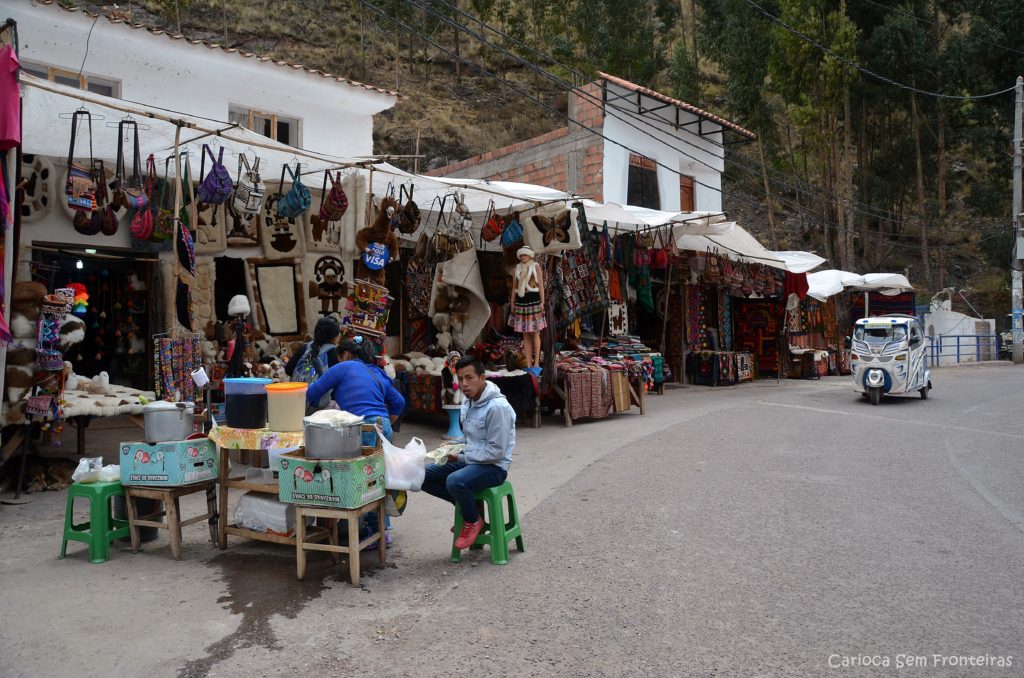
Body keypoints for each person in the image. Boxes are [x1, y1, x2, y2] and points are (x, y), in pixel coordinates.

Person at [305, 335, 406, 544]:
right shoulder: (376, 372)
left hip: (362, 428)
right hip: (382, 427)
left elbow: (312, 392)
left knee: (364, 480)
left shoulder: (344, 367)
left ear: (346, 354)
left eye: (339, 356)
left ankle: (372, 532)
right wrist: (385, 422)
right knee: (376, 478)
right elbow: (399, 403)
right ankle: (382, 530)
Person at [422, 355, 516, 550]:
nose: (464, 384)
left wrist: (459, 457)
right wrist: (451, 446)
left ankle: (472, 520)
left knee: (455, 481)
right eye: (460, 379)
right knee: (421, 476)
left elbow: (496, 453)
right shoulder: (468, 402)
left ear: (483, 378)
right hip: (472, 461)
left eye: (469, 378)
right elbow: (468, 438)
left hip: (494, 467)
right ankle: (469, 509)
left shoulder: (498, 408)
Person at [510, 246, 545, 375]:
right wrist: (512, 302)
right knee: (525, 334)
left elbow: (541, 284)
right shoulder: (517, 268)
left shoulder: (535, 266)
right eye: (521, 255)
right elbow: (514, 287)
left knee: (535, 332)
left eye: (525, 255)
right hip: (521, 301)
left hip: (534, 300)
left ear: (530, 255)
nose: (523, 257)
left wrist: (543, 301)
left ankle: (536, 363)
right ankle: (529, 363)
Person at [285, 316, 342, 381]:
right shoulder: (335, 353)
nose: (340, 335)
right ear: (333, 337)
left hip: (299, 389)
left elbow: (288, 369)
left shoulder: (306, 347)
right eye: (338, 333)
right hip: (319, 390)